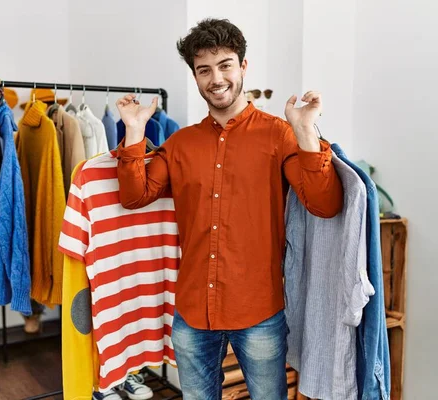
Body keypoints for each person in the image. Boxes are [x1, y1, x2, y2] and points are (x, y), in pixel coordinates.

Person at [115, 18, 344, 400]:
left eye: (225, 65)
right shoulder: (180, 143)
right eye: (204, 69)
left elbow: (325, 204)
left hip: (259, 312)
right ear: (195, 76)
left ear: (243, 67)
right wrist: (135, 131)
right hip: (192, 312)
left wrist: (306, 131)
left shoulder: (280, 134)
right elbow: (135, 196)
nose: (216, 78)